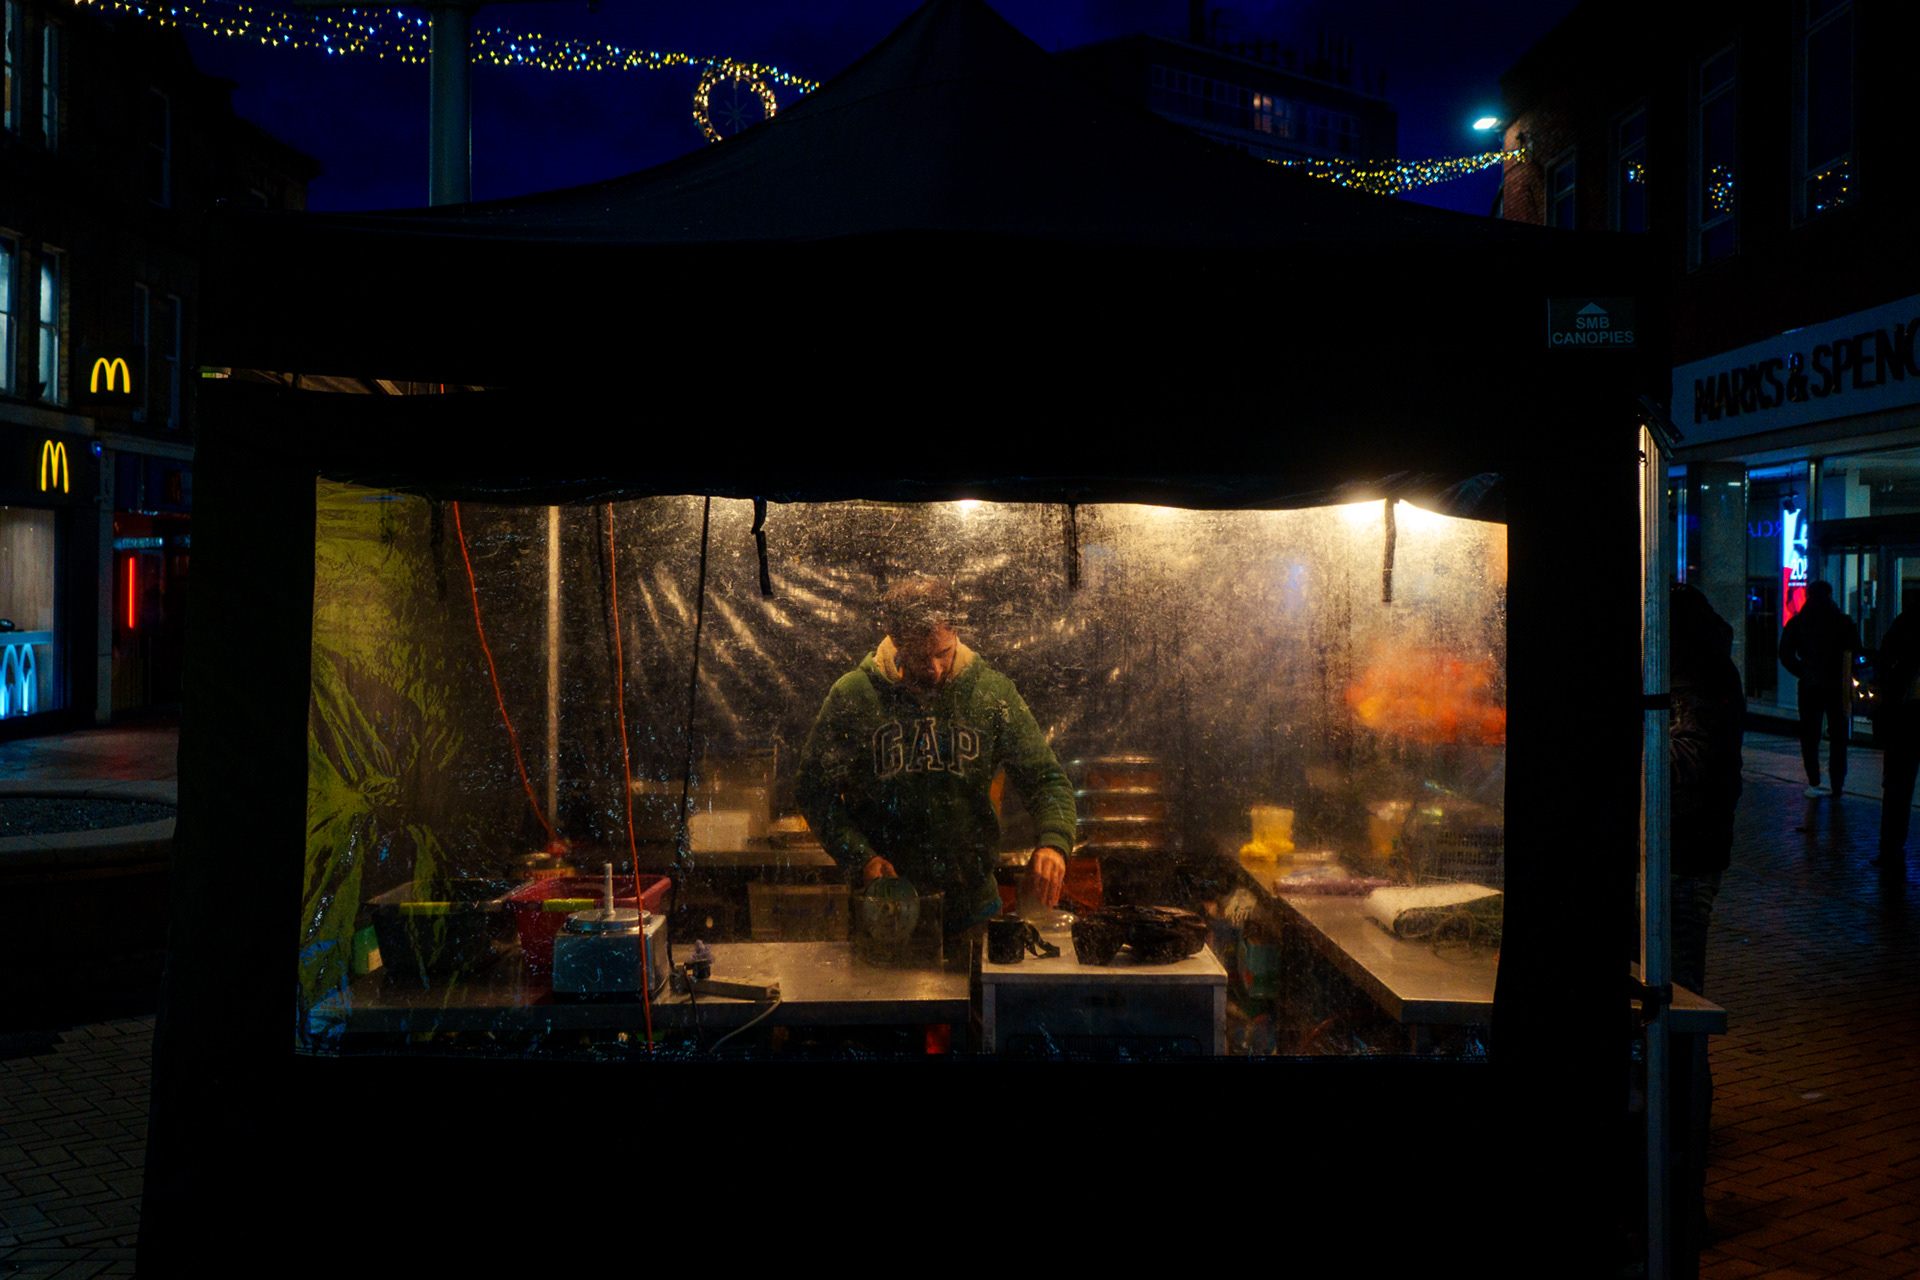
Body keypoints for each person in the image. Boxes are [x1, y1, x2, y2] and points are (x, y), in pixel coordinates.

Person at [796, 575, 1076, 953]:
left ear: (956, 632)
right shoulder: (854, 696)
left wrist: (1054, 843)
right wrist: (860, 857)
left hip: (974, 915)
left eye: (942, 652)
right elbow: (813, 789)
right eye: (917, 655)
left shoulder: (991, 694)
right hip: (884, 915)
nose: (934, 669)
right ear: (892, 636)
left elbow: (1046, 780)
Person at [1669, 583, 1744, 996]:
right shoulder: (1698, 668)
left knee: (1678, 987)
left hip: (1686, 852)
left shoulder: (1698, 673)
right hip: (1685, 847)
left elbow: (1693, 757)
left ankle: (1681, 1043)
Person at [1778, 580, 1861, 799]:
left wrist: (1803, 671)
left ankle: (1813, 781)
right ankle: (1837, 784)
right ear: (1830, 594)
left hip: (1809, 686)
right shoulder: (1843, 622)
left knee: (1810, 735)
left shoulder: (1798, 623)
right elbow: (1856, 652)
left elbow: (1785, 654)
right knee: (1839, 737)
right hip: (1836, 685)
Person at [1869, 607, 1920, 868]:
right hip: (1905, 715)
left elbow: (1884, 662)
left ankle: (1890, 849)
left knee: (1897, 785)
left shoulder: (1906, 623)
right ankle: (1890, 849)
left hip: (1905, 717)